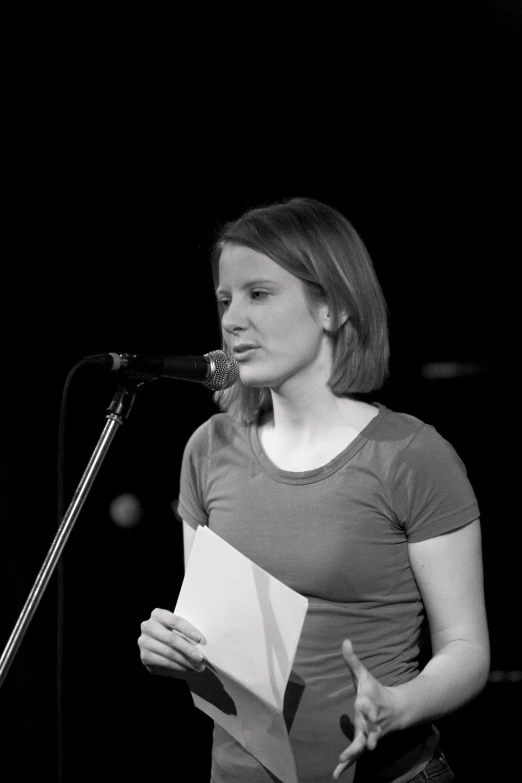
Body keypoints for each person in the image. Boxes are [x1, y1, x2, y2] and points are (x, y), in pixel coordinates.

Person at [137, 197, 490, 782]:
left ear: (331, 306)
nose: (231, 319)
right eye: (224, 299)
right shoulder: (208, 448)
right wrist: (171, 649)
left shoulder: (410, 456)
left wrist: (401, 704)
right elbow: (211, 643)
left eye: (259, 294)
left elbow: (467, 648)